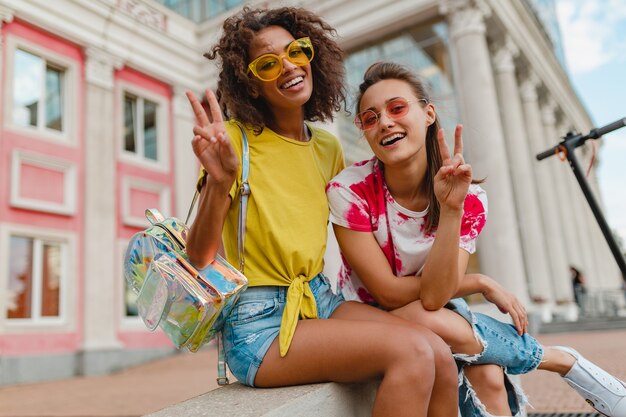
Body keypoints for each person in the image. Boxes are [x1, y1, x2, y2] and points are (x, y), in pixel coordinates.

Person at [184, 8, 459, 417]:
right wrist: (221, 182)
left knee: (439, 352)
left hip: (321, 299)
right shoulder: (233, 142)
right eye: (267, 63)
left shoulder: (327, 148)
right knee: (412, 352)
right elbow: (198, 258)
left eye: (296, 51)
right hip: (259, 324)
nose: (288, 66)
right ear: (251, 84)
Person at [327, 61, 626, 417]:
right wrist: (478, 281)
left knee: (488, 373)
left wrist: (450, 209)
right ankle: (554, 359)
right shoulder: (349, 190)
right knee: (429, 322)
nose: (385, 122)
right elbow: (388, 293)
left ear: (428, 113)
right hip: (364, 314)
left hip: (436, 310)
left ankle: (557, 360)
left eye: (397, 108)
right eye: (370, 118)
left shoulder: (468, 198)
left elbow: (436, 296)